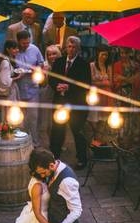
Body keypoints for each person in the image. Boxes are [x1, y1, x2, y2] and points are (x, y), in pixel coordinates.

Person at [49, 37, 91, 169]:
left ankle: (81, 159)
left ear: (77, 49)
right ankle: (54, 157)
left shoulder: (83, 64)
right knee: (57, 131)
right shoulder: (59, 62)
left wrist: (69, 87)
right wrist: (57, 86)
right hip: (60, 102)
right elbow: (52, 78)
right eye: (69, 46)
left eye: (73, 47)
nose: (70, 49)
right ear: (65, 47)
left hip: (77, 104)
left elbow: (86, 85)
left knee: (77, 132)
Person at [15, 30, 44, 147]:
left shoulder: (34, 49)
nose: (26, 45)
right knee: (21, 119)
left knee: (33, 117)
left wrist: (36, 69)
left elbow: (41, 63)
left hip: (33, 88)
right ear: (18, 41)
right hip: (19, 88)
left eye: (27, 42)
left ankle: (35, 143)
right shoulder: (14, 51)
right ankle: (22, 143)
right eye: (23, 43)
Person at [87, 45, 113, 145]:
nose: (104, 57)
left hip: (106, 94)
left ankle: (98, 140)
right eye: (102, 55)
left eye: (106, 55)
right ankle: (95, 138)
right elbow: (91, 81)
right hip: (95, 95)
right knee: (94, 118)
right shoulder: (92, 66)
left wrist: (104, 83)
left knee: (103, 119)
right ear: (98, 54)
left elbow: (110, 82)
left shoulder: (108, 67)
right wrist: (104, 82)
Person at [38, 45, 62, 149]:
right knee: (45, 124)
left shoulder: (62, 64)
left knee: (57, 123)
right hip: (46, 96)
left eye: (54, 54)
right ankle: (46, 145)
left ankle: (56, 145)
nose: (51, 56)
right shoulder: (44, 66)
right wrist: (45, 74)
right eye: (49, 54)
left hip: (58, 97)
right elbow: (42, 84)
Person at [0, 41, 22, 119]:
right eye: (14, 48)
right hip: (8, 94)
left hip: (9, 93)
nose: (17, 50)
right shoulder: (6, 63)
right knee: (9, 115)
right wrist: (17, 77)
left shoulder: (6, 60)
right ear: (8, 49)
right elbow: (4, 81)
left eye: (17, 48)